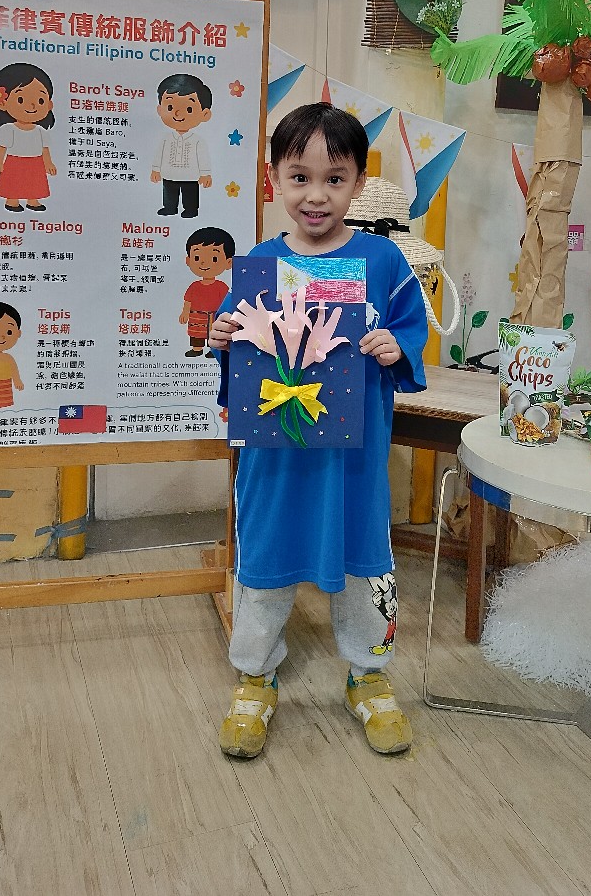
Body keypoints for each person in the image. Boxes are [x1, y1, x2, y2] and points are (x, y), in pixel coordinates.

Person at [210, 102, 428, 759]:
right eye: (299, 177)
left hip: (354, 460)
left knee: (364, 558)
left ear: (358, 182)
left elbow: (411, 329)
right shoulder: (261, 262)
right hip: (276, 457)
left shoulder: (383, 260)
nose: (316, 194)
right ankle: (255, 676)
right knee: (264, 558)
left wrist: (397, 345)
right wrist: (222, 338)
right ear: (274, 178)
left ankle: (369, 675)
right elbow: (239, 352)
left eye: (335, 178)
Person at [0, 63, 56, 212]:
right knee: (14, 182)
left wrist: (48, 163)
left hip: (36, 162)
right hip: (14, 161)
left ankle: (33, 200)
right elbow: (1, 147)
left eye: (40, 101)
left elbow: (45, 149)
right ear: (2, 102)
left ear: (49, 105)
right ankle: (12, 201)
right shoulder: (9, 129)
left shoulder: (40, 131)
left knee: (34, 183)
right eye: (20, 99)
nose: (32, 106)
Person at [151, 74, 212, 217]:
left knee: (190, 194)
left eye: (189, 109)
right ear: (160, 110)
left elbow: (203, 158)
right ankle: (169, 208)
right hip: (168, 174)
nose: (178, 113)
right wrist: (155, 170)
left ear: (205, 114)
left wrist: (205, 174)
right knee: (169, 193)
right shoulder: (166, 139)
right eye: (170, 107)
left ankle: (191, 210)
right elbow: (159, 155)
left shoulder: (197, 141)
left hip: (190, 176)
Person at [179, 226, 235, 358]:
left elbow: (227, 302)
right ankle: (197, 348)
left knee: (214, 333)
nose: (204, 263)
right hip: (196, 316)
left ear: (228, 263)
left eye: (214, 258)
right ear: (188, 261)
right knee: (196, 334)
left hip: (214, 316)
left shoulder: (221, 286)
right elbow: (188, 300)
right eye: (197, 257)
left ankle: (213, 350)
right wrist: (185, 313)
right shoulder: (194, 286)